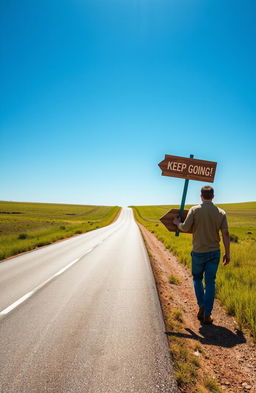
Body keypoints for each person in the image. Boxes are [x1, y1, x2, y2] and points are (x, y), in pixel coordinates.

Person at [173, 186, 230, 325]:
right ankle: (207, 314)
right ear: (213, 196)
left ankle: (202, 305)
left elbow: (185, 227)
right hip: (214, 252)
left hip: (198, 252)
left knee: (197, 279)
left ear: (201, 196)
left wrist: (177, 223)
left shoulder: (195, 210)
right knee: (210, 282)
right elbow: (226, 234)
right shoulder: (221, 213)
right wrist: (228, 253)